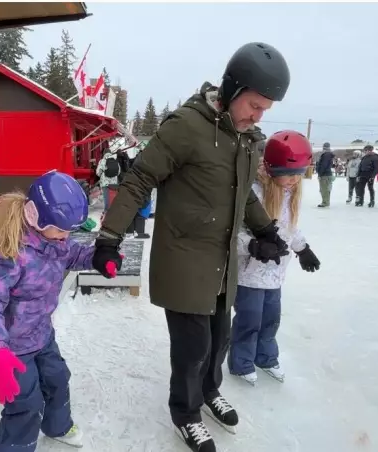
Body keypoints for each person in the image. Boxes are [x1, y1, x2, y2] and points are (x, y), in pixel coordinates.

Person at [90, 42, 292, 452]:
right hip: (184, 259)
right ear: (232, 89)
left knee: (219, 338)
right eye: (254, 105)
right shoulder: (186, 126)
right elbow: (140, 180)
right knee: (192, 347)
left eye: (265, 109)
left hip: (222, 261)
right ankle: (185, 413)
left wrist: (267, 230)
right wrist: (110, 237)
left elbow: (243, 197)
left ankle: (209, 390)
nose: (259, 115)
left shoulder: (245, 138)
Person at [0, 171, 114, 452]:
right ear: (36, 217)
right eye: (61, 230)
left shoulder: (55, 241)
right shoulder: (11, 255)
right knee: (25, 404)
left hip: (43, 336)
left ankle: (57, 426)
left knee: (58, 379)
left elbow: (73, 254)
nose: (66, 236)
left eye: (69, 231)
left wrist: (98, 258)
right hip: (13, 348)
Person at [229, 131, 318, 387]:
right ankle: (241, 362)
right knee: (249, 321)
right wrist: (254, 246)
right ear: (270, 168)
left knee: (270, 321)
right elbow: (233, 234)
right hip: (249, 275)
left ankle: (266, 358)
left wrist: (303, 249)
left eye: (299, 174)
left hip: (275, 275)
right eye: (288, 174)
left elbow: (289, 228)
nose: (294, 180)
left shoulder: (288, 193)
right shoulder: (253, 193)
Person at [95, 149, 120, 213]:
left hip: (105, 183)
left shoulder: (102, 161)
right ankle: (113, 210)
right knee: (113, 197)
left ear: (104, 153)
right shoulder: (115, 160)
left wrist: (102, 174)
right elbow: (118, 172)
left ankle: (106, 211)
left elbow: (98, 173)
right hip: (114, 183)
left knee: (106, 198)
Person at [315, 142, 335, 208]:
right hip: (325, 174)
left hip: (325, 174)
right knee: (323, 189)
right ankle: (325, 201)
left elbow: (324, 165)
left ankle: (325, 202)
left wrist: (320, 174)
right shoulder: (326, 154)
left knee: (324, 189)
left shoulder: (326, 154)